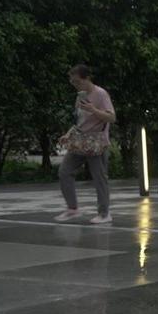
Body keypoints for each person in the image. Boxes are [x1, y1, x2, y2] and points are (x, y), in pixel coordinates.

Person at [54, 65, 116, 224]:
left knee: (99, 177)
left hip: (96, 143)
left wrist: (93, 109)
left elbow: (111, 118)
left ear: (87, 78)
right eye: (72, 82)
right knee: (65, 171)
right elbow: (79, 120)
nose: (75, 84)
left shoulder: (101, 94)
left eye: (77, 81)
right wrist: (68, 134)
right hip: (80, 141)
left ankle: (104, 213)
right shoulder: (80, 96)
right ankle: (72, 208)